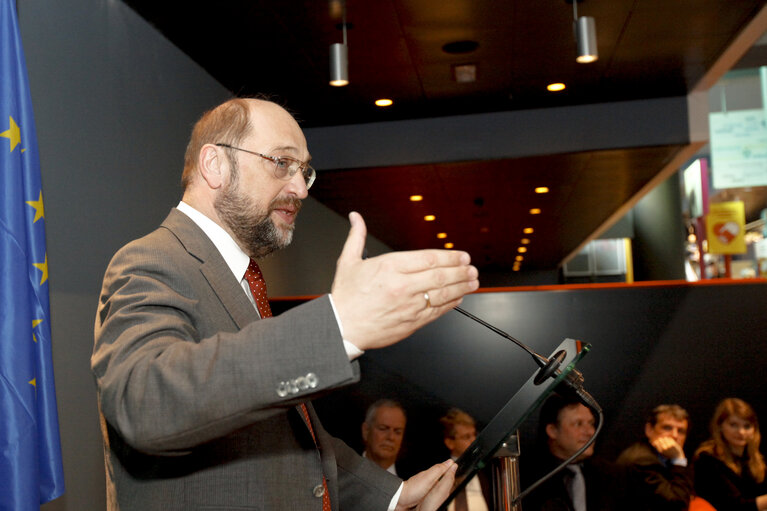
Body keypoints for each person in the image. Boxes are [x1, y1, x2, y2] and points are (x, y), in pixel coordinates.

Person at [91, 97, 480, 511]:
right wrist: (338, 327)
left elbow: (288, 439)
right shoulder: (152, 259)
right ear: (215, 164)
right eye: (281, 162)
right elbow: (145, 403)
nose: (299, 188)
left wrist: (392, 494)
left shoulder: (242, 278)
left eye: (304, 171)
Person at [521, 393, 622, 511]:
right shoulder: (527, 479)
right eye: (578, 424)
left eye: (591, 423)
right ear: (552, 431)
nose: (590, 432)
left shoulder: (613, 475)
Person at [693, 398, 767, 511]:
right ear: (720, 426)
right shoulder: (707, 460)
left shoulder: (756, 459)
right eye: (734, 425)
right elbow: (734, 506)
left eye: (747, 426)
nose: (741, 432)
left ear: (754, 430)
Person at [616, 404, 694, 511]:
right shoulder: (642, 461)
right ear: (649, 430)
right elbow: (678, 505)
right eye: (667, 428)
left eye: (681, 431)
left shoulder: (660, 458)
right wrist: (679, 460)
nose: (675, 435)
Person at [440, 408, 492, 511]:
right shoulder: (441, 474)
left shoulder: (487, 471)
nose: (473, 441)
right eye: (466, 437)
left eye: (474, 435)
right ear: (450, 443)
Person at [362, 400, 408, 475]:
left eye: (397, 432)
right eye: (383, 428)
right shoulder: (340, 475)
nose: (391, 437)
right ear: (366, 431)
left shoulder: (412, 482)